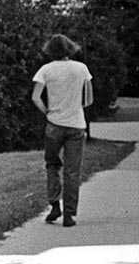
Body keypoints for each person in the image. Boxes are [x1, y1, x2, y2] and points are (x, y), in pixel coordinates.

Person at [31, 33, 94, 227]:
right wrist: (76, 107)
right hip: (76, 124)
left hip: (54, 125)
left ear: (50, 50)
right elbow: (89, 98)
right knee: (72, 172)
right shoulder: (81, 68)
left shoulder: (46, 70)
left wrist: (47, 111)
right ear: (69, 48)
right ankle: (69, 214)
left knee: (52, 165)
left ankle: (54, 204)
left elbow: (35, 97)